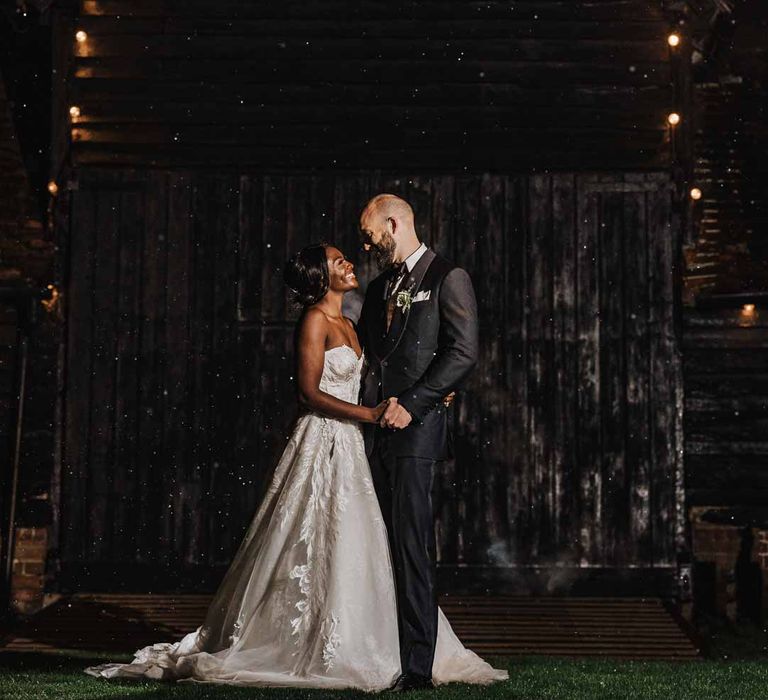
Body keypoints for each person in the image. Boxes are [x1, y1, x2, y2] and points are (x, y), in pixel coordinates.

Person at [84, 242, 507, 692]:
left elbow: (382, 370)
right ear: (321, 278)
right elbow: (308, 393)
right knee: (309, 532)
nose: (349, 263)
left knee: (358, 537)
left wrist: (433, 390)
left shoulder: (351, 322)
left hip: (352, 445)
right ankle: (301, 636)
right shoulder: (314, 321)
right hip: (322, 437)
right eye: (338, 261)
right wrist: (370, 415)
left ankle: (367, 637)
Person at [358, 194, 481, 691]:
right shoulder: (379, 286)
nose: (367, 243)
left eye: (371, 233)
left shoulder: (447, 276)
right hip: (370, 428)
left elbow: (463, 352)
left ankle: (416, 668)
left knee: (411, 544)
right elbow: (370, 351)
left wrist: (415, 401)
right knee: (375, 541)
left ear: (394, 223)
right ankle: (374, 649)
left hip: (416, 430)